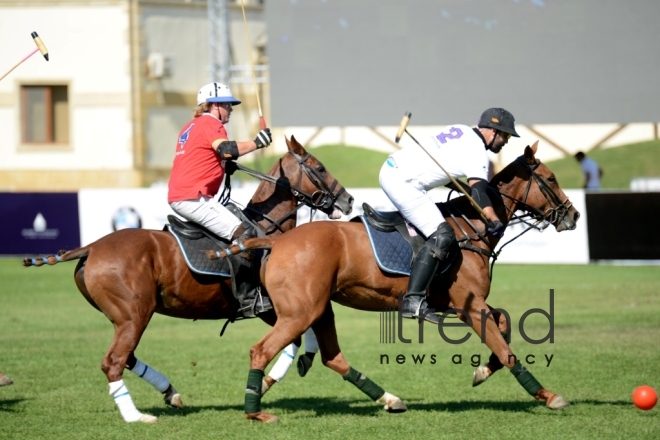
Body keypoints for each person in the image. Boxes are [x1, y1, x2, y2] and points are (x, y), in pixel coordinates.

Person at [379, 107, 519, 324]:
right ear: (493, 131)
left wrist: (465, 187)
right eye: (506, 136)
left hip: (393, 168)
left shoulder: (460, 129)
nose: (506, 141)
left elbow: (442, 166)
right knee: (443, 233)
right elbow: (480, 192)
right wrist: (493, 219)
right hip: (403, 182)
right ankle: (414, 300)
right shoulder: (477, 151)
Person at [168, 82, 272, 243]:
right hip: (193, 197)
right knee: (246, 235)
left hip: (182, 195)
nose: (231, 109)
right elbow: (226, 149)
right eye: (228, 104)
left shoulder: (190, 125)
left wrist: (222, 164)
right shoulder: (211, 123)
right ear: (215, 105)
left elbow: (202, 155)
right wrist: (257, 143)